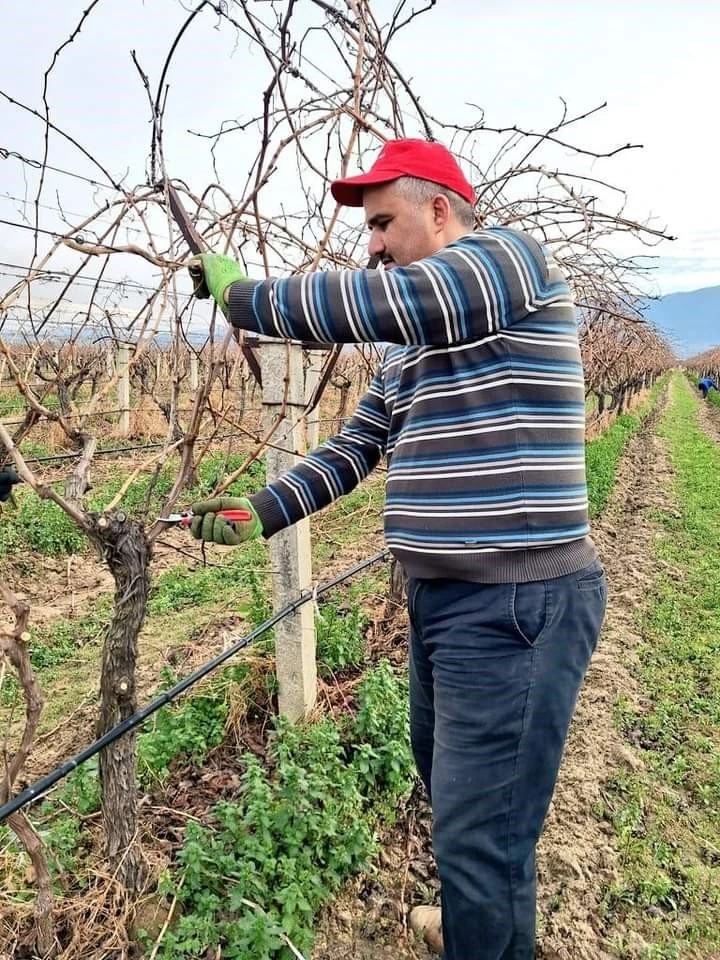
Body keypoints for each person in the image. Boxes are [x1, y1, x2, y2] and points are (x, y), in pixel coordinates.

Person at [188, 138, 608, 960]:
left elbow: (378, 303)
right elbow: (358, 446)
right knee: (456, 798)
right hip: (446, 603)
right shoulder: (414, 347)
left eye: (383, 223)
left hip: (516, 607)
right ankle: (474, 920)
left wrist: (245, 299)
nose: (371, 244)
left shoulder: (508, 263)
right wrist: (264, 510)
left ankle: (480, 926)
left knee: (483, 837)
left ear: (440, 210)